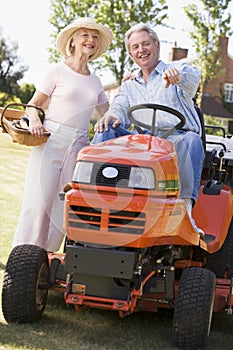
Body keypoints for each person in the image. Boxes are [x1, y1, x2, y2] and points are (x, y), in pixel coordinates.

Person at [92, 22, 205, 238]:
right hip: (142, 145)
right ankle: (94, 197)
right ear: (131, 54)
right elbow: (119, 107)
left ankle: (185, 212)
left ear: (157, 45)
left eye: (145, 44)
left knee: (191, 139)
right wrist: (111, 115)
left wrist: (177, 76)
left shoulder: (175, 70)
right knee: (106, 128)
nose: (141, 50)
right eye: (135, 47)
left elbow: (192, 77)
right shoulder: (129, 84)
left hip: (175, 142)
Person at [13, 17, 113, 252]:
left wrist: (126, 89)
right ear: (74, 41)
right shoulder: (57, 70)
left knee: (64, 204)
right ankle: (24, 254)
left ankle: (46, 257)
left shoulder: (96, 81)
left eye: (95, 36)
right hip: (51, 140)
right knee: (38, 201)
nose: (91, 40)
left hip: (79, 146)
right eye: (85, 35)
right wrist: (36, 119)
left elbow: (109, 114)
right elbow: (32, 105)